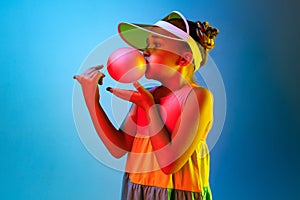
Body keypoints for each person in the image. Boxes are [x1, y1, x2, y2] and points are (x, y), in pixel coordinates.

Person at [74, 11, 219, 200]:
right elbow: (118, 148)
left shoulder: (198, 97)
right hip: (138, 190)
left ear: (183, 59)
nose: (145, 52)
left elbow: (169, 164)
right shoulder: (148, 94)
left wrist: (150, 108)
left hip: (177, 194)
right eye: (146, 45)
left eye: (156, 44)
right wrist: (92, 100)